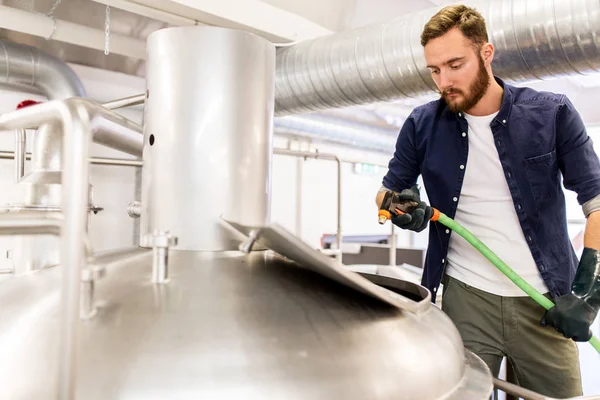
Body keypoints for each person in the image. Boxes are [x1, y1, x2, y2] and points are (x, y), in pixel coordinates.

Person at [376, 4, 600, 397]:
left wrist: (588, 295)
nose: (444, 80)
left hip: (545, 303)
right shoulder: (421, 124)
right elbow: (387, 191)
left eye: (455, 64)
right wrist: (399, 207)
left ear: (486, 53)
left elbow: (597, 204)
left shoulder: (552, 114)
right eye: (434, 70)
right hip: (465, 298)